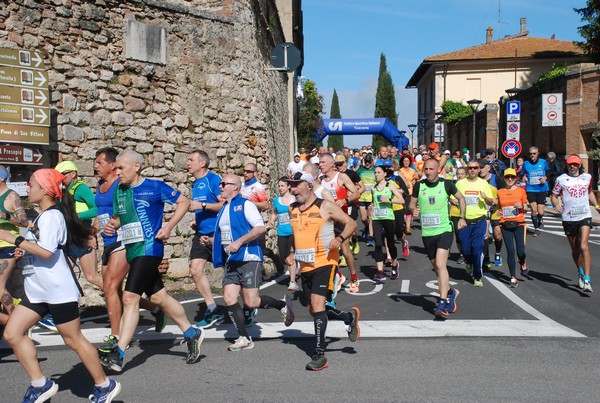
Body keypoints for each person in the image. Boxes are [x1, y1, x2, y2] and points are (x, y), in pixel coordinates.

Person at [0, 168, 121, 402]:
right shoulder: (43, 217)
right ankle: (40, 384)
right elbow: (40, 247)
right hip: (37, 291)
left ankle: (105, 384)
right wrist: (22, 249)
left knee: (73, 340)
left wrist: (13, 239)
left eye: (32, 185)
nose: (27, 188)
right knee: (13, 334)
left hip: (57, 291)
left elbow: (46, 252)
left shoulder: (53, 216)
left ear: (45, 190)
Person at [100, 150, 204, 372]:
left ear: (136, 166)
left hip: (149, 248)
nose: (117, 172)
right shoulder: (120, 190)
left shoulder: (155, 187)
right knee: (159, 297)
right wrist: (112, 225)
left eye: (121, 168)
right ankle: (191, 332)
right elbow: (120, 217)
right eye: (116, 168)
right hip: (132, 249)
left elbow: (184, 202)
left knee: (129, 298)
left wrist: (168, 227)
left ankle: (118, 353)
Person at [209, 173, 294, 351]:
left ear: (235, 187)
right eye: (221, 184)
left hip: (249, 258)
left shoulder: (245, 204)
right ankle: (244, 338)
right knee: (229, 298)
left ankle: (281, 305)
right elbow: (228, 235)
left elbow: (260, 228)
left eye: (224, 184)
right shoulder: (224, 208)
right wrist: (210, 241)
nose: (220, 187)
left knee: (251, 302)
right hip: (232, 260)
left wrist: (239, 242)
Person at [285, 172, 360, 371]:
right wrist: (292, 252)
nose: (292, 189)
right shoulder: (292, 208)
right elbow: (296, 234)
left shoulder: (324, 206)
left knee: (318, 306)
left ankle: (320, 355)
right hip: (305, 265)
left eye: (296, 185)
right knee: (314, 309)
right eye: (290, 185)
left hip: (325, 262)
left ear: (309, 186)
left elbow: (351, 223)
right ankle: (348, 317)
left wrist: (341, 238)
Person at [94, 148, 165, 356]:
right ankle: (157, 309)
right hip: (108, 239)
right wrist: (95, 225)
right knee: (115, 290)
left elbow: (132, 209)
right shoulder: (102, 186)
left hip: (125, 240)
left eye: (100, 162)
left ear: (112, 164)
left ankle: (116, 338)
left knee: (112, 287)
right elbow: (103, 211)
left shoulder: (123, 184)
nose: (96, 166)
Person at [408, 159, 466, 317]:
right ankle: (450, 292)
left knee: (441, 264)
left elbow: (461, 198)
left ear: (438, 170)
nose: (428, 172)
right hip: (427, 233)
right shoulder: (419, 186)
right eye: (426, 169)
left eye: (431, 169)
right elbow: (411, 205)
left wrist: (462, 217)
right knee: (437, 267)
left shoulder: (446, 184)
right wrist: (414, 210)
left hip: (444, 230)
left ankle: (443, 302)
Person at [187, 150, 226, 328]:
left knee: (232, 273)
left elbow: (224, 205)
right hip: (201, 233)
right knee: (195, 270)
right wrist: (197, 220)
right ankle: (212, 308)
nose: (188, 163)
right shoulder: (196, 183)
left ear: (202, 163)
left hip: (218, 233)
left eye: (191, 160)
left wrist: (202, 205)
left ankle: (250, 305)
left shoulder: (213, 180)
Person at [551, 155, 600, 292]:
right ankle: (580, 271)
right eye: (570, 164)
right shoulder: (561, 180)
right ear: (567, 165)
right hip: (569, 218)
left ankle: (588, 279)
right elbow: (554, 196)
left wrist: (596, 205)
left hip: (584, 215)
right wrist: (556, 204)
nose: (573, 167)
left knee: (584, 246)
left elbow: (589, 192)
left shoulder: (587, 177)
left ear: (579, 165)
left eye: (575, 164)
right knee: (576, 249)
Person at [55, 160, 103, 289]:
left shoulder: (81, 188)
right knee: (63, 274)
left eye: (63, 174)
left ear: (73, 174)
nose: (60, 178)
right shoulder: (63, 190)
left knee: (91, 277)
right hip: (69, 236)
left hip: (82, 235)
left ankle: (121, 299)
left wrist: (76, 217)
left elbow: (98, 209)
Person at [319, 153, 360, 293]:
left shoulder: (341, 177)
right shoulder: (320, 181)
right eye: (319, 162)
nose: (320, 165)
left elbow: (356, 192)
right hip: (327, 222)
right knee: (327, 251)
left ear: (331, 164)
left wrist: (345, 201)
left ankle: (354, 277)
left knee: (346, 251)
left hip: (342, 219)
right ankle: (339, 276)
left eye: (323, 162)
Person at [455, 161, 495, 287]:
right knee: (466, 249)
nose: (472, 170)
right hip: (464, 221)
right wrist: (455, 202)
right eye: (470, 168)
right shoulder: (460, 183)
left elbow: (491, 202)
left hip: (479, 220)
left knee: (477, 249)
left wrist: (485, 197)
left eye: (475, 168)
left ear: (479, 169)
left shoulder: (483, 184)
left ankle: (477, 276)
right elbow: (452, 197)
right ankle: (469, 261)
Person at [0, 165, 29, 316]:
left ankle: (17, 320)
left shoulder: (12, 196)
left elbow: (24, 222)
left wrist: (6, 217)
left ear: (1, 178)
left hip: (7, 245)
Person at [370, 166, 404, 281]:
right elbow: (373, 203)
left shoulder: (390, 186)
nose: (376, 174)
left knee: (390, 244)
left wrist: (389, 200)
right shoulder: (374, 188)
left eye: (379, 172)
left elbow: (402, 200)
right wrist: (371, 206)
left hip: (388, 218)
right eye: (375, 173)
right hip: (377, 219)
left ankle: (394, 265)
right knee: (378, 244)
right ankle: (380, 271)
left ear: (384, 174)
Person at [497, 168, 529, 287]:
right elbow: (498, 208)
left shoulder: (520, 191)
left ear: (516, 178)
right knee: (510, 251)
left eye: (512, 177)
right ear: (504, 178)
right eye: (507, 177)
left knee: (520, 251)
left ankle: (522, 261)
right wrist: (498, 213)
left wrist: (521, 206)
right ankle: (513, 276)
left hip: (519, 223)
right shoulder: (500, 192)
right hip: (505, 224)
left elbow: (526, 207)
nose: (510, 179)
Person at [268, 177, 298, 291]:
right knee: (283, 257)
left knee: (291, 256)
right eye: (279, 186)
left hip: (293, 232)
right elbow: (274, 213)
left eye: (282, 186)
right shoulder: (276, 200)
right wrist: (272, 220)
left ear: (288, 186)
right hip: (282, 232)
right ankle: (294, 271)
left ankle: (292, 281)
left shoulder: (294, 199)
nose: (280, 188)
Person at [522, 146, 550, 237]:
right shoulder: (526, 163)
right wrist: (524, 177)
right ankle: (536, 228)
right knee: (534, 209)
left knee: (541, 212)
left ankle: (540, 218)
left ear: (538, 154)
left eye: (534, 153)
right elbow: (522, 174)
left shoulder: (543, 162)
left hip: (542, 189)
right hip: (531, 189)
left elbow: (549, 172)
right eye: (530, 154)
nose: (532, 155)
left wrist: (545, 177)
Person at [356, 153, 376, 246]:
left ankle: (370, 238)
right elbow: (354, 181)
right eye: (366, 162)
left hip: (372, 198)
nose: (367, 164)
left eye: (369, 162)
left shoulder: (375, 170)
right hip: (362, 198)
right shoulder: (360, 171)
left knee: (371, 218)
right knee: (364, 218)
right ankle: (367, 228)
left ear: (372, 162)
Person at [449, 167, 467, 263]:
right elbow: (451, 199)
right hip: (455, 213)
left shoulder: (469, 185)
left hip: (468, 215)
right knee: (459, 236)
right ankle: (462, 254)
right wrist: (452, 200)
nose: (459, 176)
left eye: (462, 174)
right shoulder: (454, 185)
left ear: (466, 175)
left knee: (467, 235)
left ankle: (468, 253)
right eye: (458, 174)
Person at [398, 155, 417, 235]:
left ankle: (408, 227)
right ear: (402, 162)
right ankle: (403, 222)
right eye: (405, 161)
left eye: (407, 161)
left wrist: (414, 181)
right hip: (401, 191)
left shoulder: (412, 171)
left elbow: (415, 178)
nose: (406, 162)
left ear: (410, 162)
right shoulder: (400, 170)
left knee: (409, 209)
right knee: (402, 209)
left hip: (410, 191)